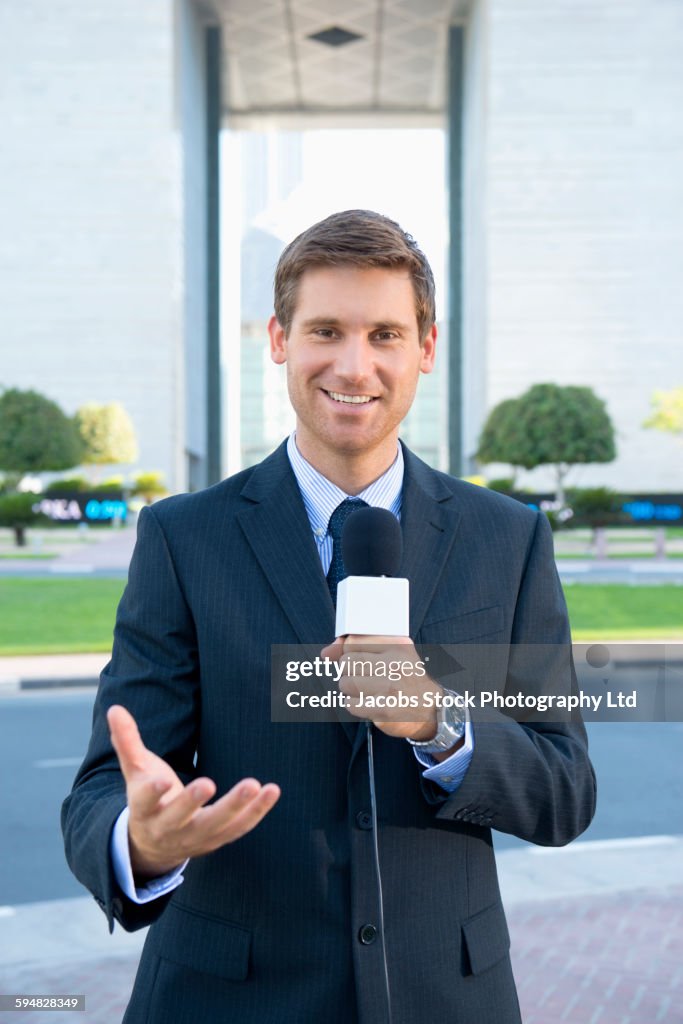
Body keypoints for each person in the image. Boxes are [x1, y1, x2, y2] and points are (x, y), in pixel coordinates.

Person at [62, 209, 596, 1024]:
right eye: (325, 331)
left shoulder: (507, 538)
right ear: (279, 340)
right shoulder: (183, 538)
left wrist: (437, 721)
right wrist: (141, 841)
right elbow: (106, 787)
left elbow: (562, 790)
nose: (354, 365)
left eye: (384, 334)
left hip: (444, 997)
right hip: (225, 1000)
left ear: (424, 348)